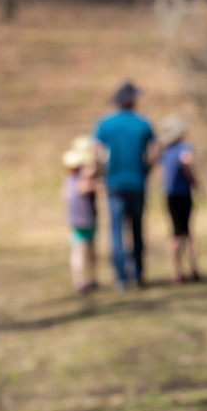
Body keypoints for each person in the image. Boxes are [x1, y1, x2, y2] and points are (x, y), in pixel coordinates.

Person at [92, 81, 158, 289]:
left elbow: (95, 151)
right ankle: (138, 274)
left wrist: (101, 172)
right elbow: (155, 150)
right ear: (133, 101)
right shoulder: (143, 123)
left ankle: (121, 277)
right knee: (137, 229)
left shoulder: (105, 123)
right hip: (137, 183)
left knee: (117, 231)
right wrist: (147, 169)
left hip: (114, 184)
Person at [159, 115, 201, 283]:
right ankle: (193, 268)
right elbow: (188, 166)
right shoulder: (185, 148)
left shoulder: (165, 151)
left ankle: (176, 271)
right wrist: (197, 184)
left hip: (169, 194)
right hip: (183, 194)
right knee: (187, 232)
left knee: (175, 233)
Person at [62, 136, 100, 294]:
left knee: (83, 249)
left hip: (74, 218)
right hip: (84, 218)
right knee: (83, 249)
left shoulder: (67, 177)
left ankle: (87, 279)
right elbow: (87, 187)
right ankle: (82, 280)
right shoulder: (82, 176)